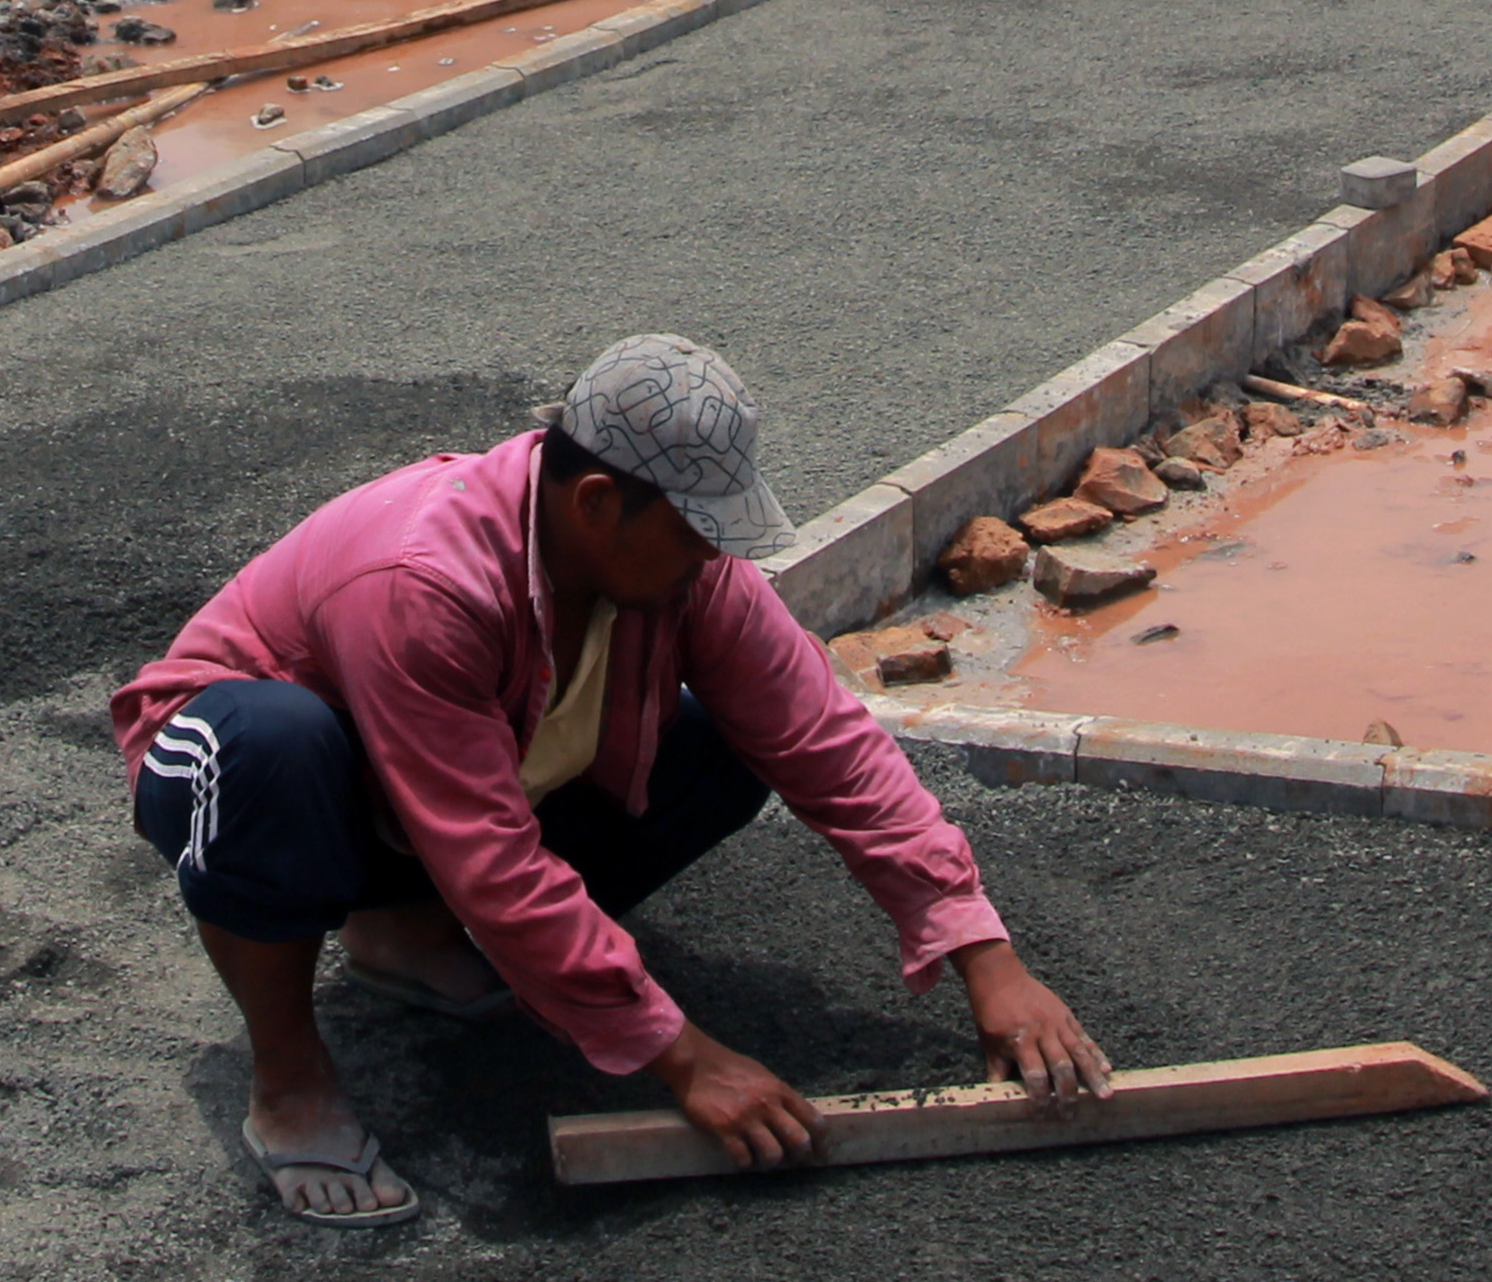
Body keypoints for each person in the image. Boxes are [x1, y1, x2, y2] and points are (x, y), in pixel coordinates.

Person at [114, 335, 1111, 1231]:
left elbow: (825, 739)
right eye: (695, 531)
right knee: (272, 746)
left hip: (425, 792)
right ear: (596, 504)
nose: (714, 556)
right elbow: (492, 858)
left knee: (728, 739)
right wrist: (684, 1057)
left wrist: (981, 951)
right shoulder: (423, 582)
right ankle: (289, 1079)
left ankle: (400, 933)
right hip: (228, 761)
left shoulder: (681, 572)